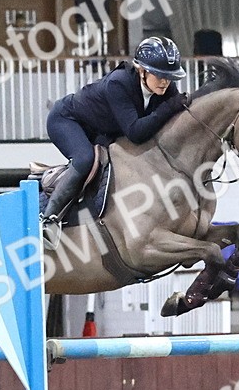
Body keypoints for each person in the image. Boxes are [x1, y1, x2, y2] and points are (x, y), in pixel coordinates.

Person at [41, 37, 188, 241]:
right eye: (160, 75)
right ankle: (49, 218)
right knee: (85, 159)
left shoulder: (165, 88)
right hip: (68, 120)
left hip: (104, 129)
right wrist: (169, 108)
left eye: (169, 76)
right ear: (141, 70)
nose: (165, 81)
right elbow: (135, 132)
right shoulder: (119, 83)